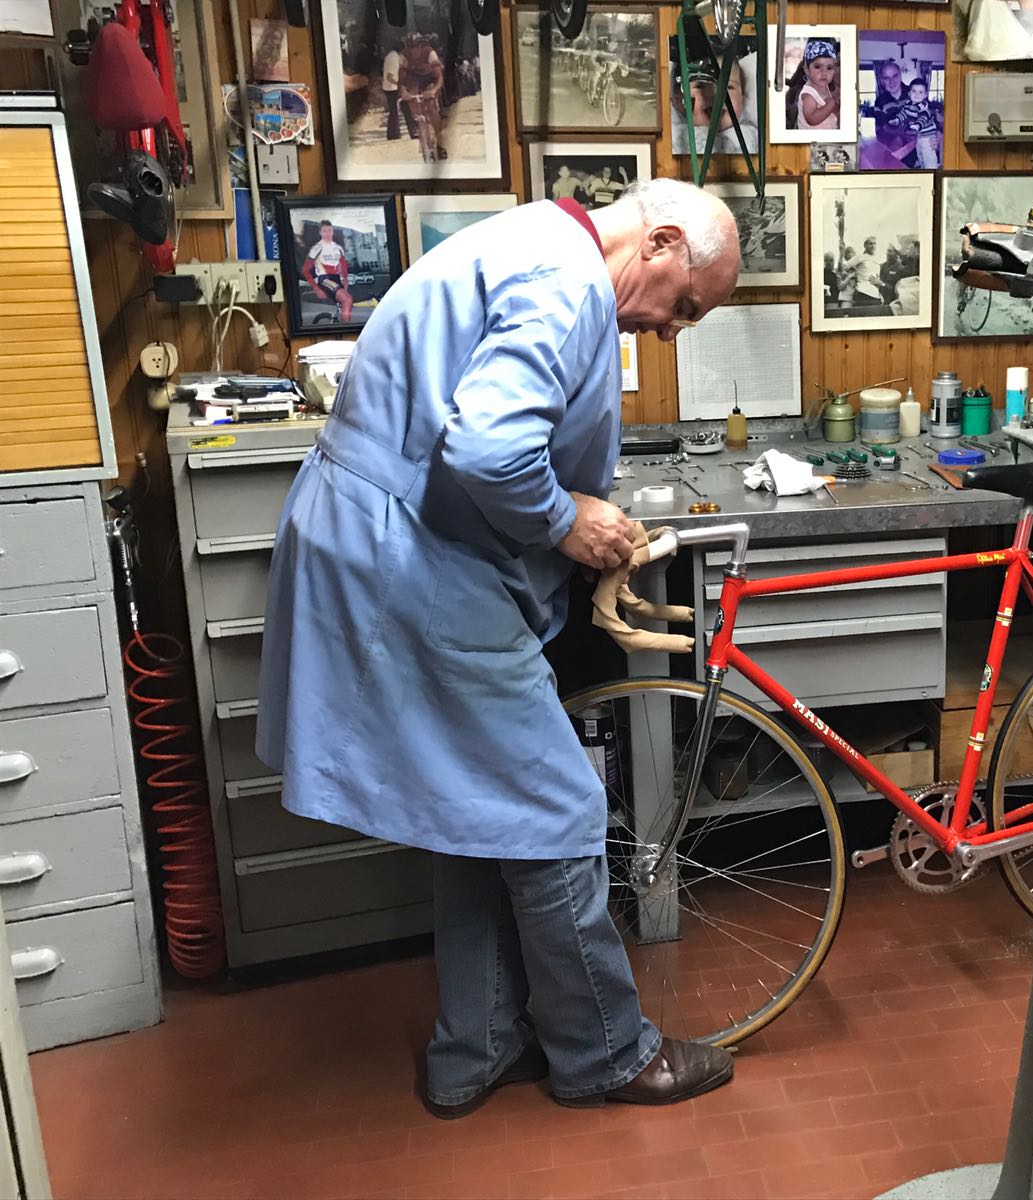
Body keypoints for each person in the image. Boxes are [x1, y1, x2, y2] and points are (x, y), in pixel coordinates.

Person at [256, 179, 742, 1116]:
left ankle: (473, 1048)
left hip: (391, 542)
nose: (669, 332)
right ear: (661, 243)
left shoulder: (531, 239)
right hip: (414, 561)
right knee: (555, 801)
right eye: (684, 305)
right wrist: (566, 521)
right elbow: (487, 450)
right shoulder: (566, 284)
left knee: (477, 803)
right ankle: (606, 1054)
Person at [400, 32, 447, 161]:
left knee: (431, 107)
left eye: (417, 47)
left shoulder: (430, 53)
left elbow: (439, 77)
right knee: (414, 105)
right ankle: (424, 136)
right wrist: (403, 92)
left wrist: (434, 90)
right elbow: (401, 80)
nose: (414, 50)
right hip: (414, 80)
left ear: (422, 46)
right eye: (411, 48)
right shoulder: (404, 55)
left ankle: (440, 144)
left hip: (430, 79)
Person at [300, 219, 353, 323]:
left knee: (348, 302)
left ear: (333, 231)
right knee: (347, 300)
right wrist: (316, 289)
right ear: (320, 233)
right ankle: (346, 329)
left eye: (329, 230)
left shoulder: (338, 248)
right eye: (324, 231)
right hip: (324, 279)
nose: (327, 234)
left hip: (336, 279)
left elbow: (343, 266)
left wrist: (345, 280)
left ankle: (341, 324)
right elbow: (305, 270)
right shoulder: (317, 248)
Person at [785, 38, 839, 131]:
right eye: (818, 67)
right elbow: (811, 119)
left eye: (829, 68)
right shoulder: (808, 94)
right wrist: (830, 105)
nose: (824, 73)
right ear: (806, 69)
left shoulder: (825, 84)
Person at [901, 78, 941, 168]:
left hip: (927, 137)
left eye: (920, 92)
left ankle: (932, 170)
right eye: (914, 91)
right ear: (909, 93)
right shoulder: (908, 104)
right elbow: (903, 113)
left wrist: (917, 126)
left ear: (925, 95)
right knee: (920, 157)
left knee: (929, 158)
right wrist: (897, 119)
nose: (917, 94)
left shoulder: (923, 106)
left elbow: (923, 118)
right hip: (918, 136)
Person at [381, 41, 415, 141]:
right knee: (399, 110)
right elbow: (389, 77)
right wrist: (400, 85)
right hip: (392, 88)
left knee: (396, 110)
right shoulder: (394, 58)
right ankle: (400, 132)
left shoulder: (392, 56)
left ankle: (394, 133)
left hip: (391, 87)